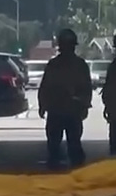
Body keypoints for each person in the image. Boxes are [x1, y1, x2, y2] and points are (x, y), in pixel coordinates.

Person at [38, 28, 92, 169]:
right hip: (60, 110)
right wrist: (43, 105)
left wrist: (85, 105)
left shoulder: (77, 65)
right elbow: (45, 87)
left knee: (71, 143)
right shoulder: (59, 65)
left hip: (68, 110)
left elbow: (86, 88)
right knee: (57, 143)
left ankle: (71, 165)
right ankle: (61, 164)